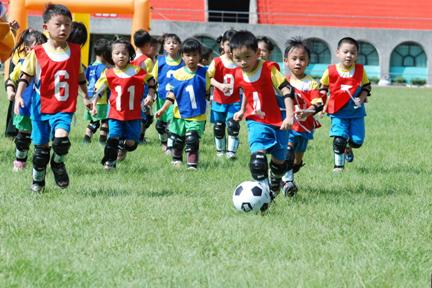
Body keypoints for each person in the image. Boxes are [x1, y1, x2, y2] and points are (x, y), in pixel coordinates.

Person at [14, 4, 91, 192]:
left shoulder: (75, 51)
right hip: (41, 106)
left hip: (64, 106)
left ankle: (57, 164)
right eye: (58, 24)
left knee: (61, 141)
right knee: (41, 151)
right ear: (46, 27)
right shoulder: (38, 52)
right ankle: (38, 181)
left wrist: (86, 97)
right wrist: (18, 96)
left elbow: (80, 76)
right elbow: (26, 76)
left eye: (67, 24)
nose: (63, 28)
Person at [230, 30, 295, 200]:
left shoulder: (268, 69)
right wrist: (243, 110)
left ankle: (274, 185)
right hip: (256, 120)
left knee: (279, 163)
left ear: (258, 53)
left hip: (279, 121)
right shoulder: (238, 74)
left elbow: (287, 90)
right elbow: (246, 91)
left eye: (247, 57)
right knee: (258, 160)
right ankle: (264, 194)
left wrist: (289, 116)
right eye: (238, 58)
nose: (243, 62)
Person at [93, 38, 156, 170]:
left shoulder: (137, 71)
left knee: (132, 144)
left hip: (133, 114)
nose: (121, 56)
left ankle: (123, 144)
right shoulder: (108, 73)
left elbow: (151, 81)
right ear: (110, 55)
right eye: (117, 53)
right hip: (115, 113)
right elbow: (100, 89)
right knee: (113, 138)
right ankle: (109, 163)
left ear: (129, 55)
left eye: (124, 53)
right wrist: (94, 103)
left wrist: (150, 95)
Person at [155, 38, 209, 170]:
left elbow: (208, 88)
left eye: (195, 55)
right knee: (178, 139)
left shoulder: (204, 73)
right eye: (188, 55)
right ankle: (177, 159)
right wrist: (163, 109)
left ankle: (192, 164)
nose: (191, 58)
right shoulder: (178, 74)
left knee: (192, 139)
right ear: (183, 56)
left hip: (197, 114)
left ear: (200, 56)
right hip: (179, 114)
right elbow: (172, 94)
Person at [320, 37, 371, 173]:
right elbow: (323, 88)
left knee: (357, 142)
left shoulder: (360, 70)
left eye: (353, 53)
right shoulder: (330, 71)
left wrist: (361, 98)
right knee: (339, 140)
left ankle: (349, 147)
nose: (349, 55)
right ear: (338, 52)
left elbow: (367, 86)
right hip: (338, 112)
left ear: (357, 55)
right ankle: (338, 167)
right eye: (345, 52)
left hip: (356, 113)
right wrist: (322, 104)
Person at [281, 37, 324, 196]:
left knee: (297, 160)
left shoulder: (311, 83)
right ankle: (288, 183)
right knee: (288, 152)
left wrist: (308, 111)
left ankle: (289, 173)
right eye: (294, 59)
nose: (298, 62)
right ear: (286, 61)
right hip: (289, 126)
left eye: (302, 59)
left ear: (308, 62)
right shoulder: (283, 82)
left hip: (305, 127)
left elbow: (318, 103)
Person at [6, 29, 47, 172]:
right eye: (38, 46)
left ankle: (39, 164)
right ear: (29, 49)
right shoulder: (22, 63)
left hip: (41, 108)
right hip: (24, 106)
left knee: (40, 137)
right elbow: (11, 79)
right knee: (23, 135)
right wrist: (11, 91)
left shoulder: (47, 66)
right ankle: (20, 161)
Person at [207, 29, 242, 159]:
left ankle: (231, 153)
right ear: (222, 45)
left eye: (234, 45)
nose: (231, 48)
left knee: (233, 126)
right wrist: (219, 85)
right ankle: (220, 152)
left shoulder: (240, 63)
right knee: (219, 127)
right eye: (228, 44)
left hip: (234, 101)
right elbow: (208, 78)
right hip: (218, 100)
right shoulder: (216, 61)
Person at [153, 33, 184, 154]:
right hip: (161, 97)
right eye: (168, 43)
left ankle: (171, 147)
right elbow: (154, 78)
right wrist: (151, 94)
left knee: (172, 123)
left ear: (179, 46)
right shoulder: (160, 61)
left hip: (176, 99)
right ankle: (164, 142)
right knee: (161, 125)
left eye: (175, 43)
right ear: (164, 46)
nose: (172, 45)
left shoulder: (183, 62)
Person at [83, 38, 111, 144]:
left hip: (90, 98)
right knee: (105, 120)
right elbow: (105, 84)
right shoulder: (104, 69)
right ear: (105, 54)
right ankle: (102, 140)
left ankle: (86, 138)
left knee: (93, 121)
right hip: (101, 99)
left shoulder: (90, 67)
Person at [131, 29, 155, 144]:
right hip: (144, 93)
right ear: (146, 45)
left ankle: (138, 136)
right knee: (146, 117)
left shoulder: (130, 58)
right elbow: (152, 78)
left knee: (137, 116)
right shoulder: (147, 61)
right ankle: (139, 138)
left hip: (132, 92)